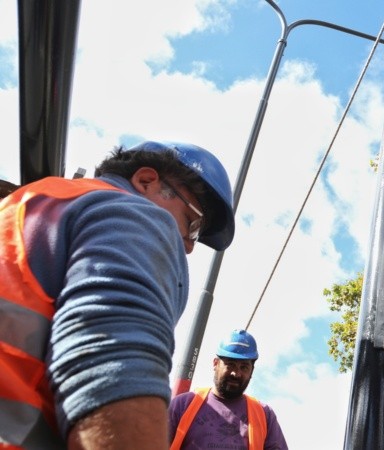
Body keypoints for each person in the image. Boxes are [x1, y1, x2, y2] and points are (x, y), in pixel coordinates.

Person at [0, 141, 236, 449]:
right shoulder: (136, 215)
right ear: (146, 181)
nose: (189, 246)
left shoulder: (32, 203)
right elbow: (112, 369)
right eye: (192, 224)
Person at [168, 329, 288, 450]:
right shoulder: (182, 405)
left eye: (244, 367)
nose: (236, 373)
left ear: (252, 371)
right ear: (215, 364)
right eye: (230, 364)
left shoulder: (264, 414)